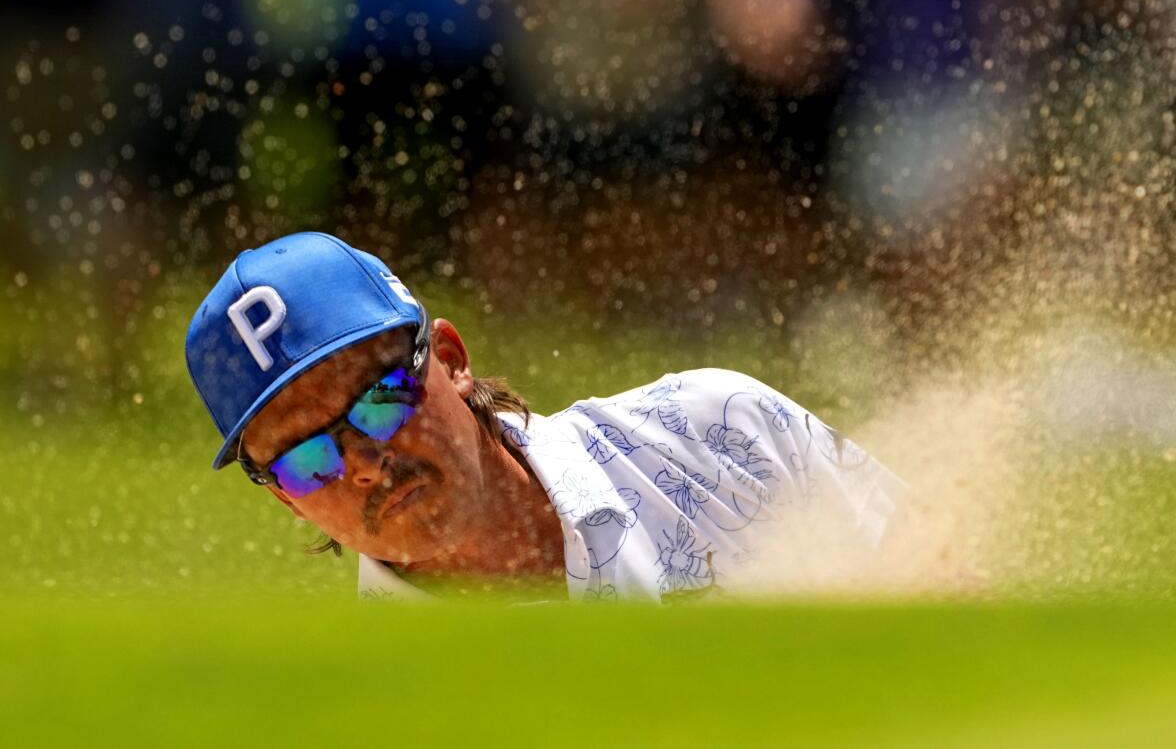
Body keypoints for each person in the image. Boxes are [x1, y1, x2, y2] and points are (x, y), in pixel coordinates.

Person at [185, 232, 903, 600]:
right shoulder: (391, 710)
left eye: (378, 400)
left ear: (451, 359)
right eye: (308, 458)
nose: (367, 464)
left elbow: (953, 606)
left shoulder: (719, 431)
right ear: (286, 498)